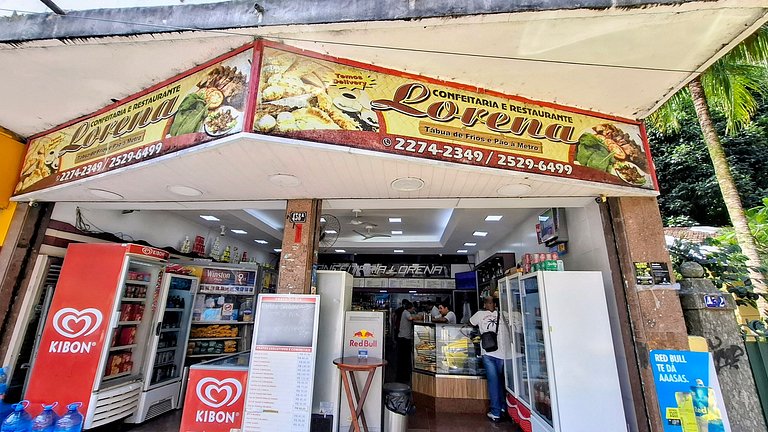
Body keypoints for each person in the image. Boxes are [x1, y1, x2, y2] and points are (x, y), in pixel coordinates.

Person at [470, 296, 510, 423]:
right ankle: (503, 408)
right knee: (501, 381)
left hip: (488, 353)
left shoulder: (479, 314)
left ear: (485, 304)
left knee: (493, 382)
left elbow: (470, 323)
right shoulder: (503, 315)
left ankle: (495, 412)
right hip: (503, 353)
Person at [396, 300, 419, 383]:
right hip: (404, 339)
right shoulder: (406, 312)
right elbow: (410, 318)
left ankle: (403, 376)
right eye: (413, 308)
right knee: (404, 359)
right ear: (410, 308)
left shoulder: (405, 312)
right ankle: (402, 377)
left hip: (404, 338)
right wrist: (419, 317)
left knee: (404, 358)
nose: (414, 309)